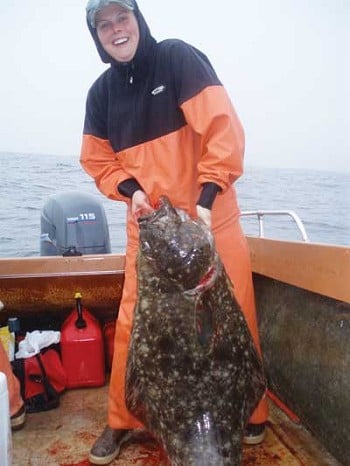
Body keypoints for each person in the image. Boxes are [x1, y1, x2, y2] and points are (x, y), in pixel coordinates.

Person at [81, 1, 268, 463]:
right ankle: (124, 420)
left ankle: (251, 415)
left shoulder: (178, 59)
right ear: (97, 37)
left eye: (122, 17)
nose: (115, 29)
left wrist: (206, 196)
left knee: (235, 320)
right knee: (132, 326)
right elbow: (97, 161)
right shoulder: (101, 94)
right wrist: (132, 192)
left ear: (138, 19)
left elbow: (223, 130)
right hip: (150, 231)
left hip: (209, 220)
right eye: (104, 25)